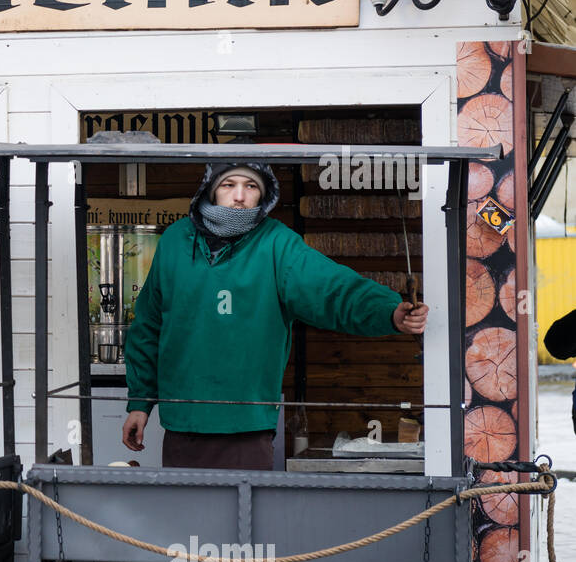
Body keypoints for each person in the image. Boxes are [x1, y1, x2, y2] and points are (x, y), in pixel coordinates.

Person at [121, 161, 428, 470]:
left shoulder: (277, 244)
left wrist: (388, 312)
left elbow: (332, 290)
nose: (239, 196)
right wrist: (140, 404)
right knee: (184, 518)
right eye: (229, 185)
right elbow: (148, 326)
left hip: (247, 427)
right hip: (182, 423)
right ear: (211, 189)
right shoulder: (175, 241)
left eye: (251, 186)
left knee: (244, 518)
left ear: (263, 196)